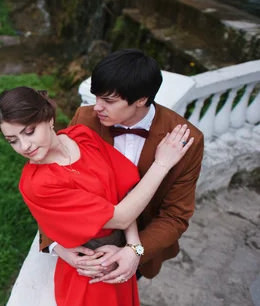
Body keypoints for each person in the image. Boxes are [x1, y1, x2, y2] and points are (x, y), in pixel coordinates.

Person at [0, 85, 195, 306]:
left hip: (119, 257)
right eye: (13, 140)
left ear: (49, 119)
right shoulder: (37, 183)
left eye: (29, 131)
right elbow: (121, 214)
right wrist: (162, 163)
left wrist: (133, 247)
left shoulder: (82, 136)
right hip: (91, 274)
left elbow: (122, 194)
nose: (24, 146)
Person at [41, 49, 205, 284]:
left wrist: (135, 252)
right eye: (96, 96)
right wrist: (56, 244)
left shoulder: (186, 141)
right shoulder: (85, 119)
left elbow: (175, 215)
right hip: (84, 245)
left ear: (141, 99)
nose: (96, 107)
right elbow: (51, 183)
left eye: (108, 101)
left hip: (140, 249)